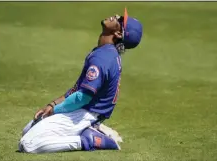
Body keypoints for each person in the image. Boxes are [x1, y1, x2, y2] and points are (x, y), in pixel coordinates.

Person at [18, 8, 142, 153]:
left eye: (120, 20)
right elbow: (77, 88)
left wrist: (55, 110)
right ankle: (91, 129)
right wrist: (52, 104)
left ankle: (88, 139)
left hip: (85, 113)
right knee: (27, 130)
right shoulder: (104, 52)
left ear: (119, 33)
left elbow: (82, 97)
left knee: (28, 144)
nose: (116, 16)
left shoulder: (103, 58)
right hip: (86, 110)